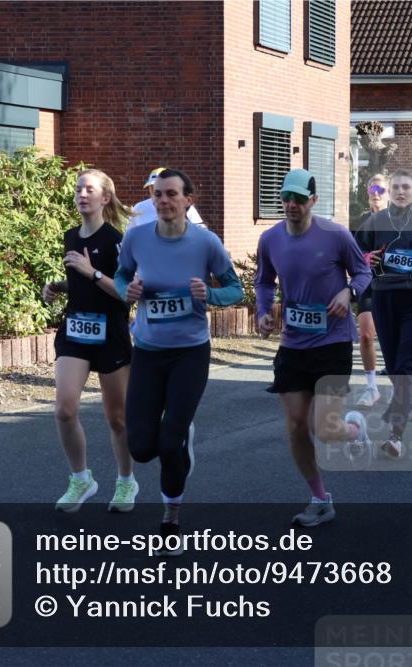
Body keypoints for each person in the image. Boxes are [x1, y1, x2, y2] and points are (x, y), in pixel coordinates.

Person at [114, 168, 243, 554]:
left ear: (189, 199)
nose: (164, 201)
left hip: (190, 353)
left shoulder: (206, 243)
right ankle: (180, 435)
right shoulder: (136, 238)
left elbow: (236, 289)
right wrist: (129, 290)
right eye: (158, 195)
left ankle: (170, 521)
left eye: (171, 194)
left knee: (169, 444)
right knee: (140, 448)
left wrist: (210, 296)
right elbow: (121, 277)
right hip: (149, 353)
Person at [256, 169, 372, 527]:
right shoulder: (270, 238)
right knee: (295, 426)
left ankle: (354, 429)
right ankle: (320, 498)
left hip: (333, 342)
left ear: (313, 201)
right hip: (293, 344)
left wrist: (348, 292)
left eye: (299, 199)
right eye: (286, 198)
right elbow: (263, 281)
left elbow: (364, 273)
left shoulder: (336, 235)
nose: (291, 205)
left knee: (324, 427)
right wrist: (263, 311)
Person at [43, 169, 136, 513]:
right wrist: (57, 287)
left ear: (105, 198)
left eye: (90, 189)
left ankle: (126, 481)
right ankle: (81, 478)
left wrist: (90, 271)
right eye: (79, 189)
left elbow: (126, 293)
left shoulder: (117, 240)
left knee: (117, 418)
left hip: (110, 333)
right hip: (76, 331)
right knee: (64, 409)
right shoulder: (71, 236)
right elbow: (82, 282)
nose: (82, 194)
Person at [355, 169, 412, 458]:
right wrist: (370, 259)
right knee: (395, 367)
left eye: (406, 187)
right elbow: (356, 257)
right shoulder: (375, 222)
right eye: (395, 188)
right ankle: (406, 398)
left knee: (406, 364)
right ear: (388, 192)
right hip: (384, 298)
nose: (401, 192)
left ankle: (396, 434)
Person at [353, 175, 386, 408]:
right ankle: (371, 386)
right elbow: (352, 254)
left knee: (392, 339)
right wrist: (366, 258)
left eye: (380, 189)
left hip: (394, 285)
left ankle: (406, 382)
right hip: (367, 283)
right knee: (365, 335)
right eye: (372, 188)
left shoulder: (399, 220)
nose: (375, 193)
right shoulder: (360, 221)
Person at [129, 167, 205, 230]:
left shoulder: (183, 205)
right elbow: (129, 234)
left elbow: (201, 231)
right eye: (151, 187)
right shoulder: (139, 208)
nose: (154, 191)